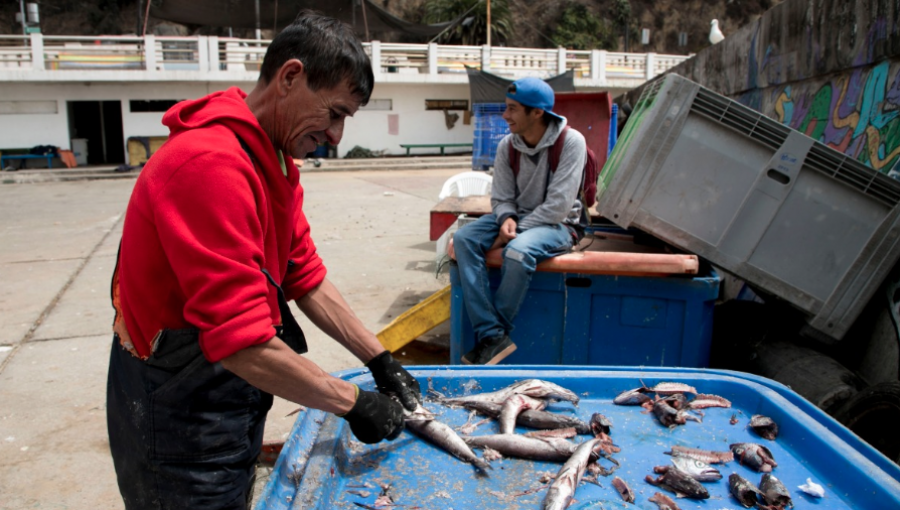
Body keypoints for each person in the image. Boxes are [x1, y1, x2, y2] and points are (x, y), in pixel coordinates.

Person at [106, 12, 421, 509]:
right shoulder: (210, 166)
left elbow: (304, 276)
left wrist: (377, 357)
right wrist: (352, 402)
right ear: (290, 77)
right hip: (177, 413)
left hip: (227, 394)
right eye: (334, 113)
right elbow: (241, 342)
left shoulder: (271, 160)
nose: (337, 136)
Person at [452, 77, 587, 365]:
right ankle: (492, 335)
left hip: (559, 225)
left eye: (513, 109)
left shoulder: (571, 142)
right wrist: (506, 218)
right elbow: (501, 197)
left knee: (518, 251)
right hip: (517, 218)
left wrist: (511, 232)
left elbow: (559, 207)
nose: (505, 115)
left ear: (537, 112)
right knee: (463, 239)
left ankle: (491, 335)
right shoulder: (507, 146)